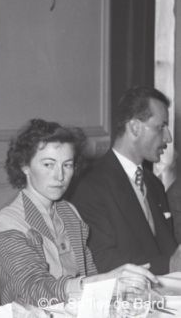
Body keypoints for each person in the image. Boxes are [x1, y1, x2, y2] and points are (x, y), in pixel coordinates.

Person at [0, 118, 158, 306]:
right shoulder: (9, 222)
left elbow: (90, 271)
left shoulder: (68, 211)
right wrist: (100, 283)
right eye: (48, 164)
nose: (60, 176)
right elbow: (33, 290)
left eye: (67, 165)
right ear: (25, 166)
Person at [70, 86, 180, 275]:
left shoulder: (154, 184)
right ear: (135, 127)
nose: (168, 137)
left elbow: (167, 247)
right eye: (161, 127)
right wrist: (169, 265)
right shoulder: (90, 185)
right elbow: (102, 261)